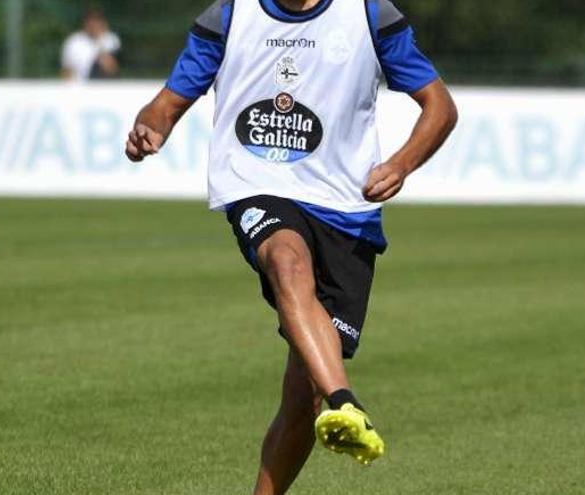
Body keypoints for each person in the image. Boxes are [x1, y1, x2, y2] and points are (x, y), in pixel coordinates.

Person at [125, 0, 457, 493]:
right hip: (255, 183)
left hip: (347, 210)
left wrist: (402, 164)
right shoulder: (230, 14)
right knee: (286, 258)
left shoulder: (369, 13)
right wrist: (152, 125)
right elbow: (168, 102)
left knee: (302, 401)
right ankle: (347, 401)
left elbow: (440, 106)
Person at [61, 8, 121, 81]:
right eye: (90, 21)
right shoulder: (73, 42)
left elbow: (111, 69)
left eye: (97, 21)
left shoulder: (111, 39)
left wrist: (99, 40)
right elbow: (67, 71)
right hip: (80, 87)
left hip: (104, 86)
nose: (93, 24)